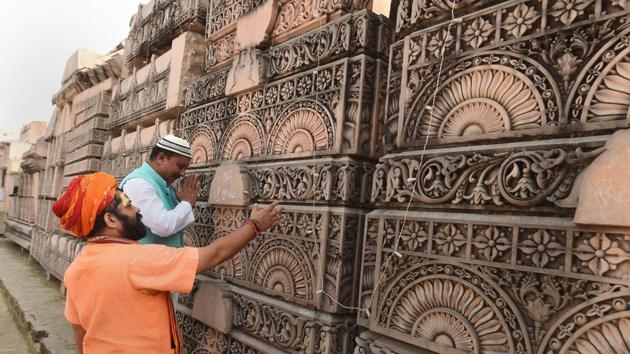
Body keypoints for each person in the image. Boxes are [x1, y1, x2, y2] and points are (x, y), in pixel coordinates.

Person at [52, 172, 282, 353]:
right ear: (111, 219)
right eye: (129, 206)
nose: (137, 209)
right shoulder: (140, 259)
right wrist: (254, 226)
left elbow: (79, 330)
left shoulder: (77, 267)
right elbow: (214, 254)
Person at [121, 134, 199, 248]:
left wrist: (183, 203)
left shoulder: (164, 185)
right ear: (161, 158)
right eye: (180, 166)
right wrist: (186, 203)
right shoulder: (138, 183)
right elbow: (162, 226)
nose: (183, 173)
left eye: (185, 168)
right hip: (144, 263)